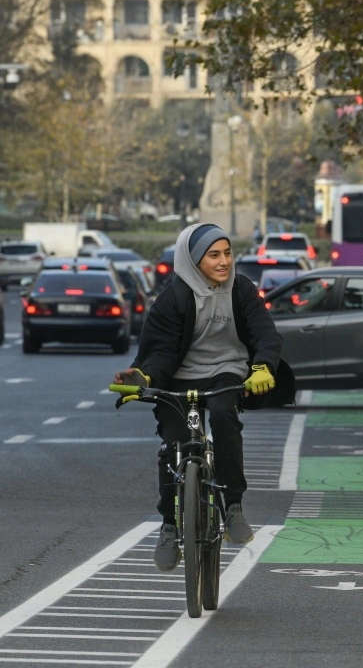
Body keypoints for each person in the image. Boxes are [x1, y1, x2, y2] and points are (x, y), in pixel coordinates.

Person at [115, 223, 283, 571]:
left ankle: (233, 506)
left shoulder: (241, 289)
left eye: (227, 253)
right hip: (178, 375)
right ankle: (170, 525)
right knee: (172, 446)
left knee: (224, 416)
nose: (224, 262)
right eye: (214, 255)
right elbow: (158, 353)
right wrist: (142, 378)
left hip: (227, 370)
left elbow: (265, 332)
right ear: (193, 261)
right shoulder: (173, 297)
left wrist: (262, 367)